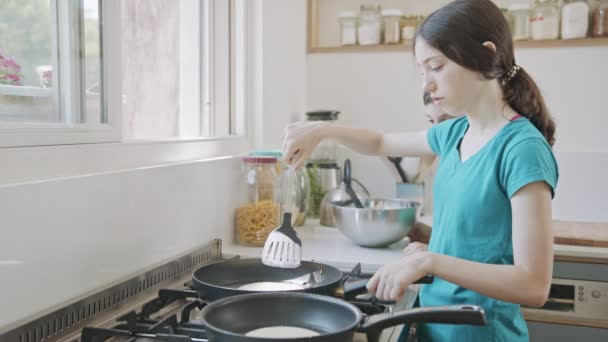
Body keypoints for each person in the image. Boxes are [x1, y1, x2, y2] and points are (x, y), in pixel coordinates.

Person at [282, 0, 558, 340]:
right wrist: (321, 131)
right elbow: (381, 142)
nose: (426, 84)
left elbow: (533, 284)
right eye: (421, 71)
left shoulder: (522, 149)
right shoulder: (455, 133)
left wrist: (430, 262)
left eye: (436, 66)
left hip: (481, 334)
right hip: (435, 326)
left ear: (486, 56)